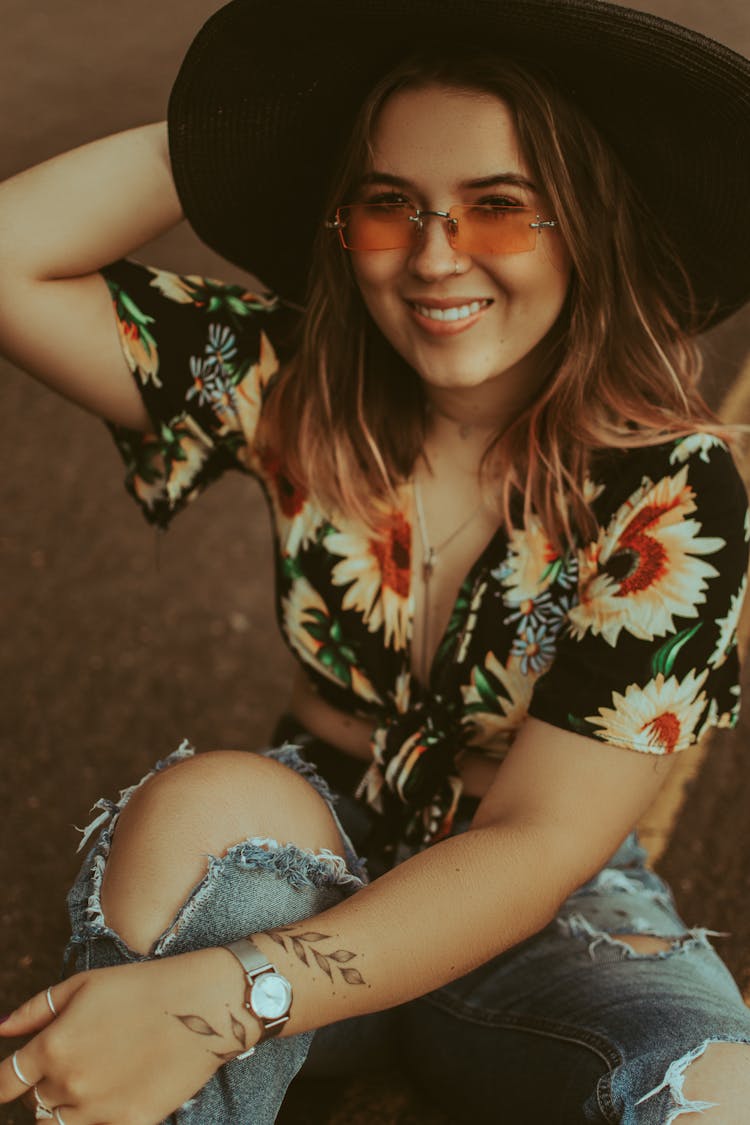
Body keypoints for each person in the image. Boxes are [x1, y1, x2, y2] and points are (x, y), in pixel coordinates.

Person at [0, 0, 749, 1120]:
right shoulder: (289, 376)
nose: (436, 257)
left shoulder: (672, 485)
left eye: (500, 207)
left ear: (584, 223)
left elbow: (538, 845)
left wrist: (226, 995)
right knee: (202, 806)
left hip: (537, 923)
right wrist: (241, 130)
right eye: (390, 202)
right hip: (310, 860)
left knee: (722, 1092)